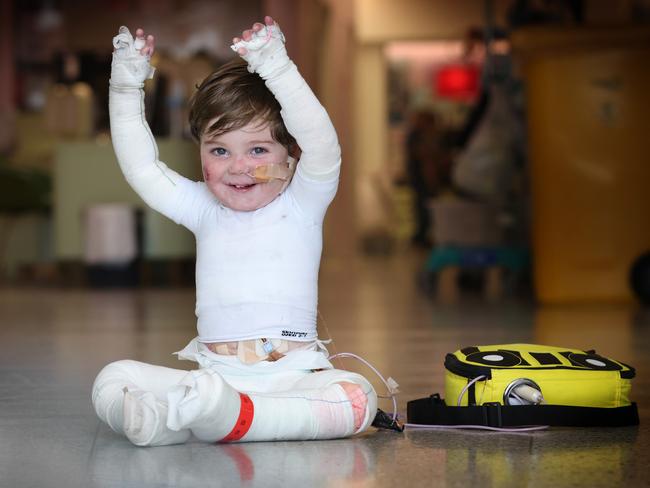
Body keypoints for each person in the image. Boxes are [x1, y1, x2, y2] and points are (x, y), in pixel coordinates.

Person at [92, 16, 377, 446]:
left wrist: (276, 67)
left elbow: (323, 143)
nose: (239, 167)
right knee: (114, 378)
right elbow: (141, 168)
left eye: (258, 149)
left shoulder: (303, 201)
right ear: (201, 151)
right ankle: (177, 417)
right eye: (220, 150)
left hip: (292, 380)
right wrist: (126, 87)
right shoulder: (203, 209)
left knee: (358, 398)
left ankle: (212, 418)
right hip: (217, 379)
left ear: (289, 154)